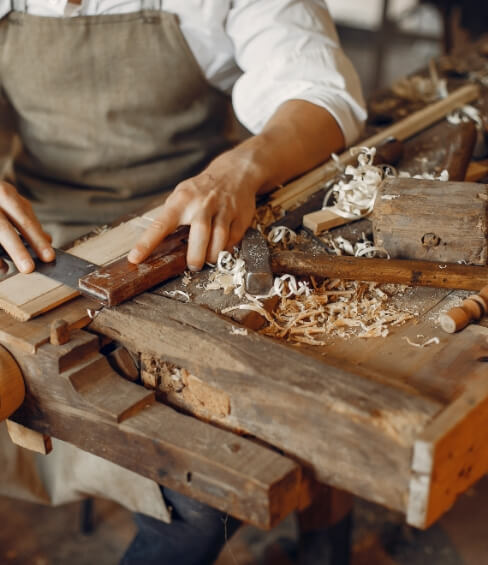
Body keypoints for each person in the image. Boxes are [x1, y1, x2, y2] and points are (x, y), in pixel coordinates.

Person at [0, 1, 366, 563]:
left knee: (206, 492)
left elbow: (322, 95)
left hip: (184, 230)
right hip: (33, 236)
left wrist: (237, 172)